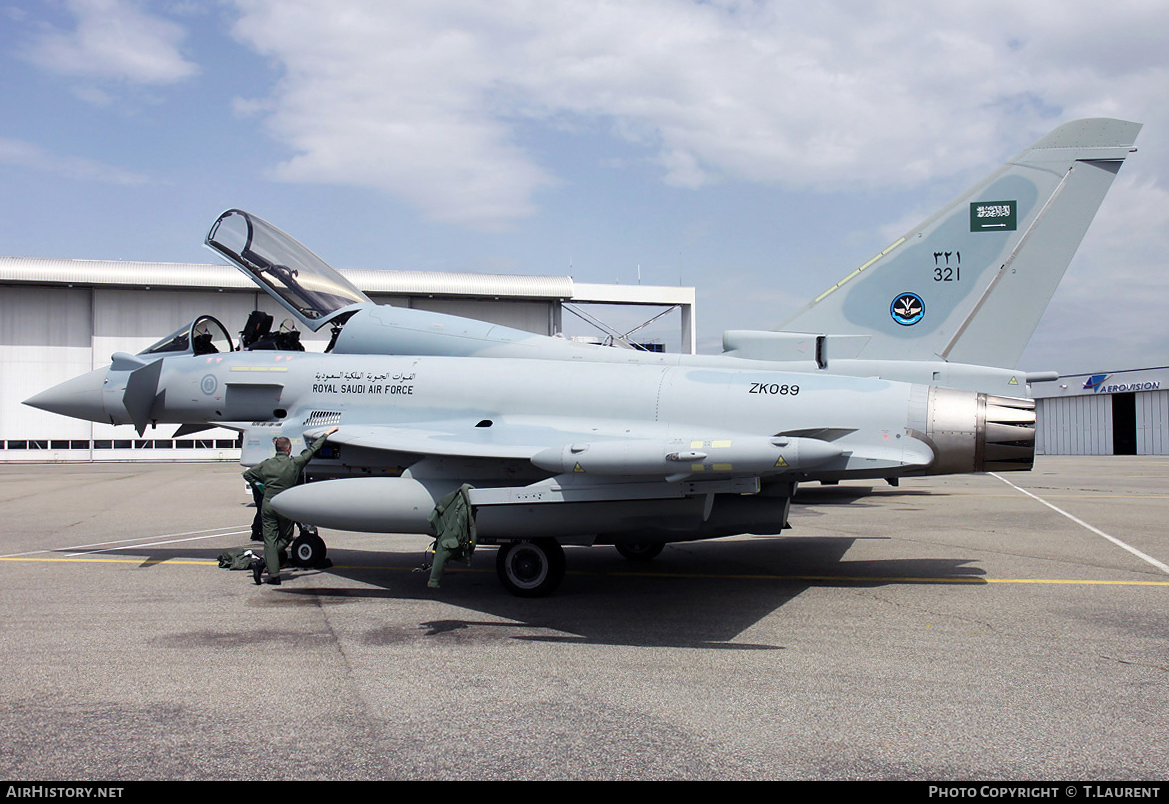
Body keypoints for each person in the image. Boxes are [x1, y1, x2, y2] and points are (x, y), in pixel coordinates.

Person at [242, 427, 338, 585]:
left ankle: (273, 575)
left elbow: (247, 474)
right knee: (286, 538)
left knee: (270, 540)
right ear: (289, 449)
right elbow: (313, 449)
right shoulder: (295, 463)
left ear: (277, 449)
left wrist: (260, 486)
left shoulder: (266, 464)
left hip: (268, 504)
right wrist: (326, 434)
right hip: (284, 505)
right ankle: (262, 563)